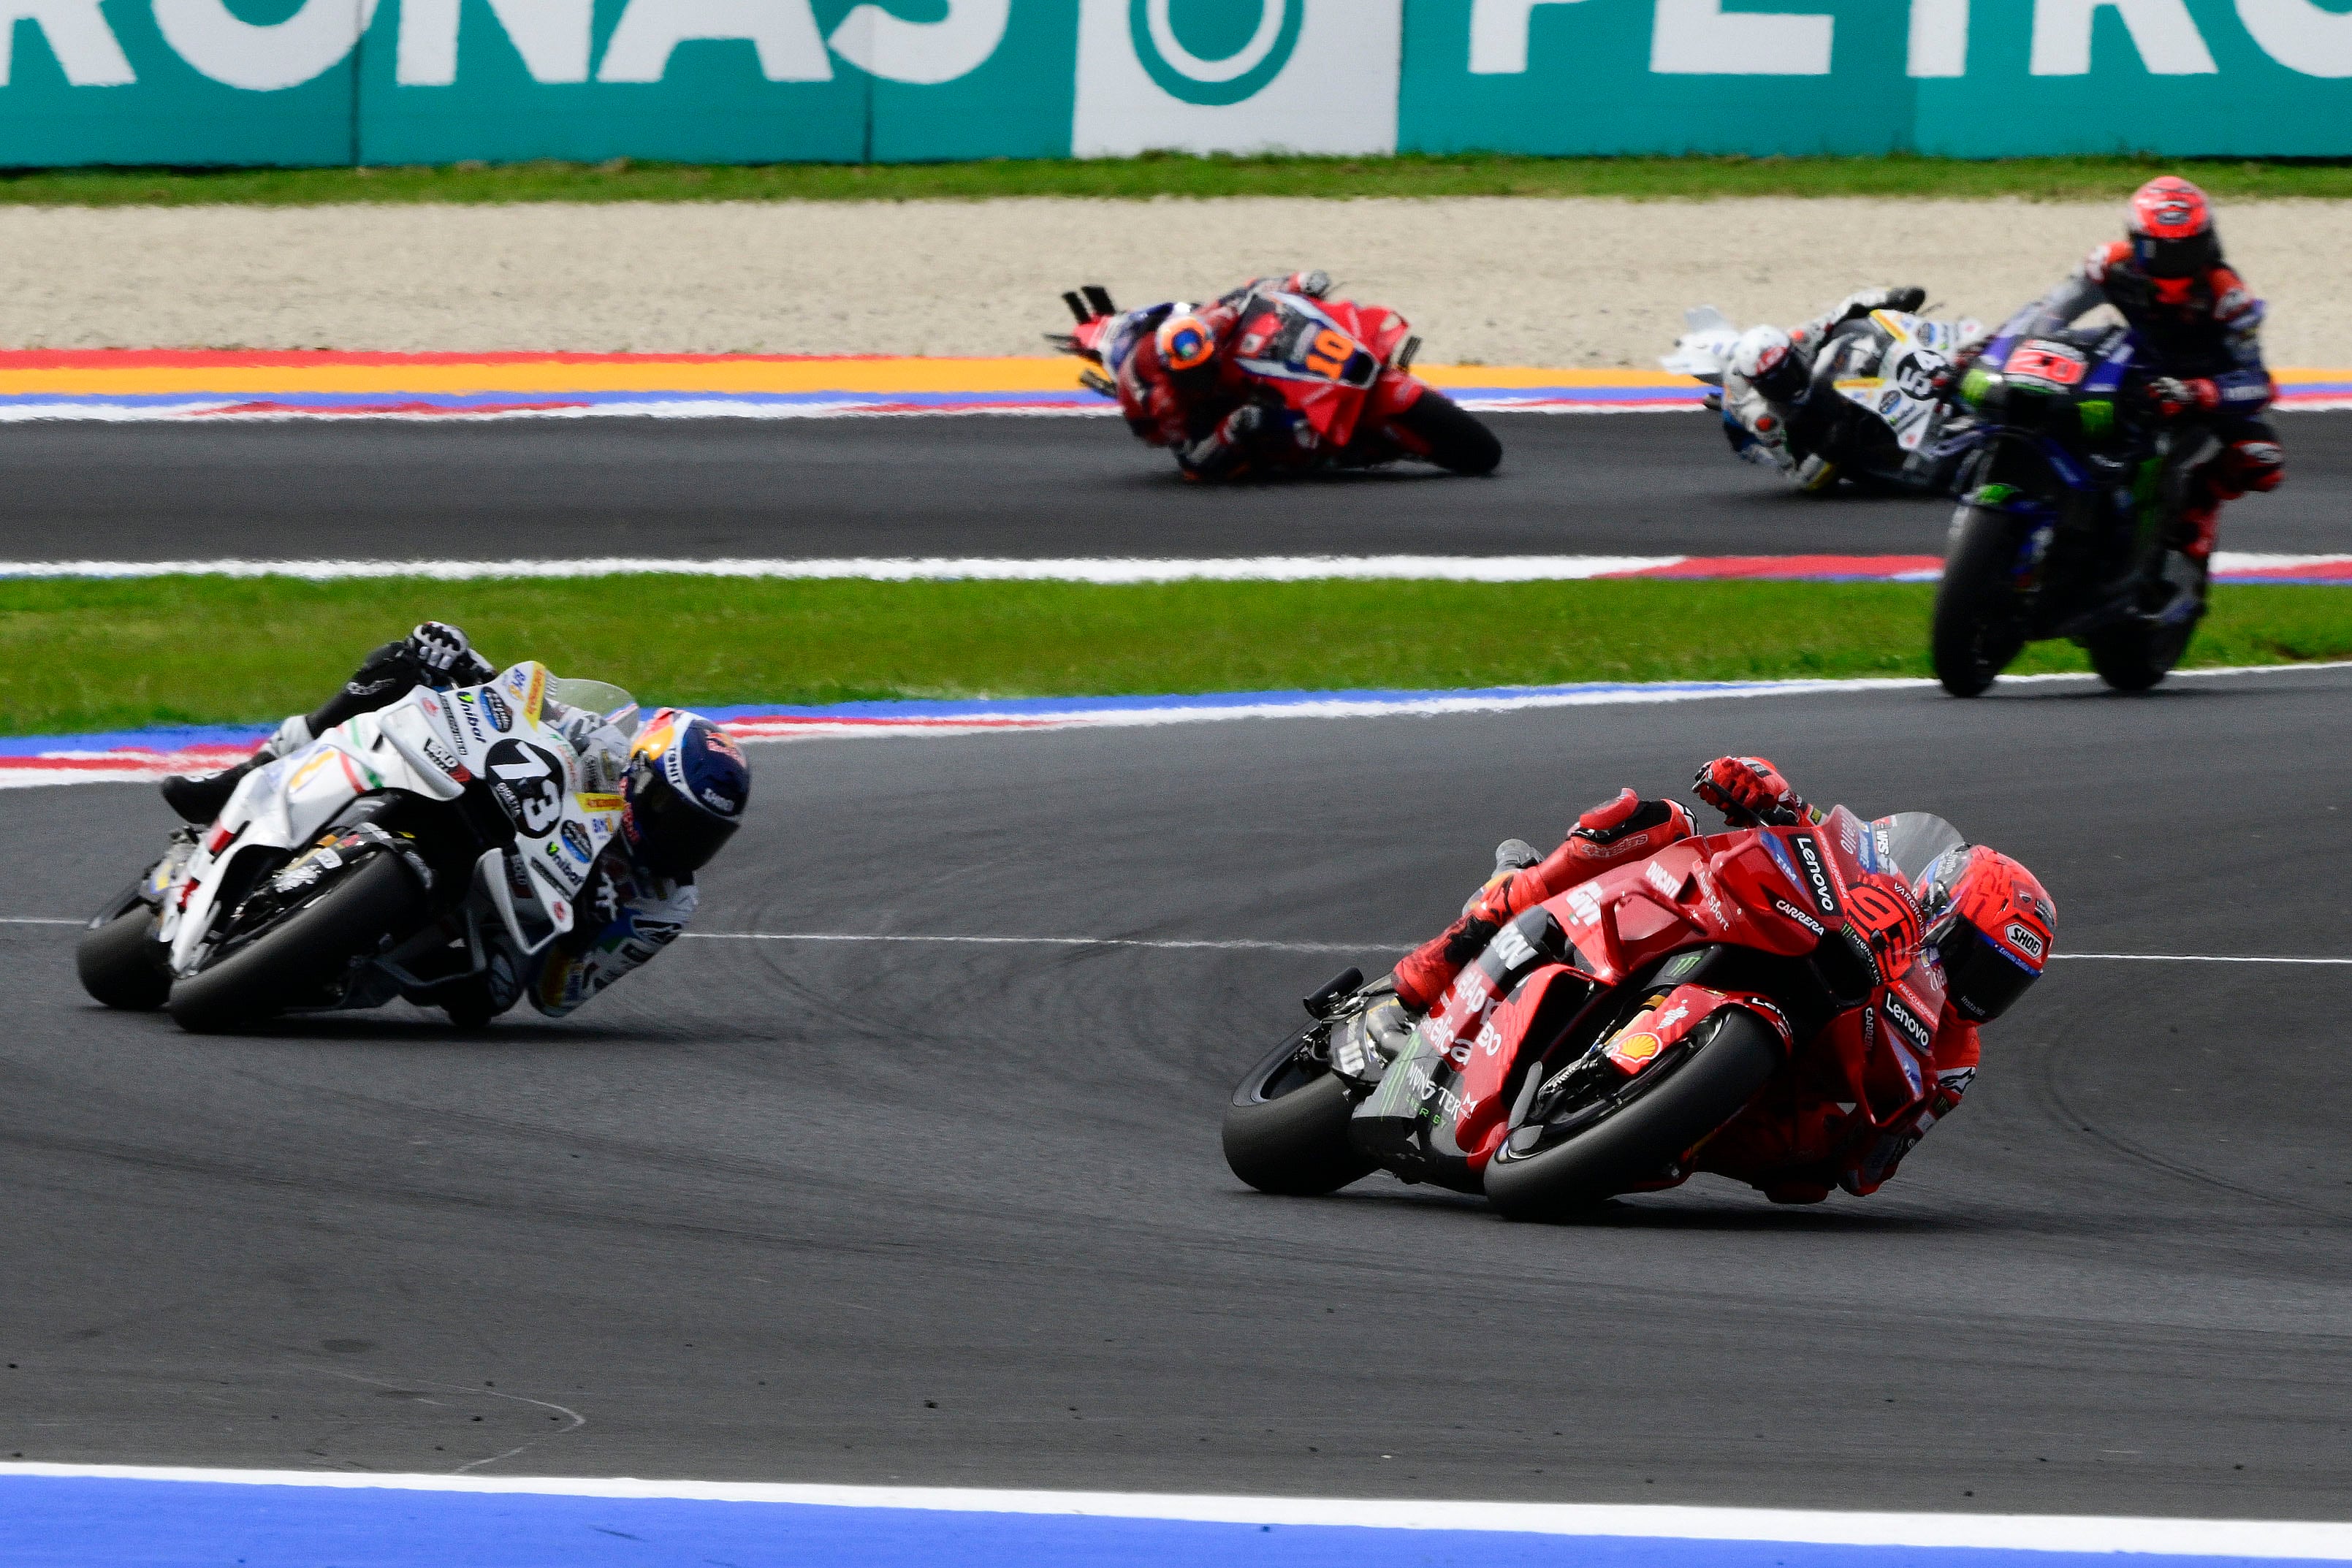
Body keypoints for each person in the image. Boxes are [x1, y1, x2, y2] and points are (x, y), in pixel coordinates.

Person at [1336, 756, 2054, 1204]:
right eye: (1974, 957)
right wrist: (1770, 796)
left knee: (1805, 1168)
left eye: (2001, 984)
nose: (1975, 989)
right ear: (1941, 902)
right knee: (1656, 823)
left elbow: (1871, 1169)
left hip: (1770, 1085)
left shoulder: (1955, 1056)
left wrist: (1870, 1126)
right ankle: (1429, 972)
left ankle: (1632, 1119)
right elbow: (1823, 848)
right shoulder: (1884, 885)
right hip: (1740, 935)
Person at [158, 621, 751, 1023]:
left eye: (704, 836)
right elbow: (519, 702)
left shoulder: (663, 904)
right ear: (638, 778)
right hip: (477, 806)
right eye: (676, 818)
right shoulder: (600, 749)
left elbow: (556, 995)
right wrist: (461, 660)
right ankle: (238, 782)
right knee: (399, 663)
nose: (685, 844)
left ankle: (326, 958)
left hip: (500, 928)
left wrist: (588, 925)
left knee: (482, 995)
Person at [2014, 175, 2280, 560]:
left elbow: (2259, 385)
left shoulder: (2229, 296)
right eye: (2157, 251)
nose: (2171, 265)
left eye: (2185, 252)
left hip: (2203, 389)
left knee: (2263, 457)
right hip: (2135, 371)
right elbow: (2050, 313)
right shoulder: (2108, 265)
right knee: (2048, 397)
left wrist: (2199, 392)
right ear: (2136, 241)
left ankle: (2201, 503)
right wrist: (2016, 346)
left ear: (2206, 245)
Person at [1720, 285, 1983, 488]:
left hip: (1813, 378)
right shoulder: (1762, 419)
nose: (1786, 382)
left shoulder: (1799, 339)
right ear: (1759, 386)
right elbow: (1800, 477)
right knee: (1823, 441)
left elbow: (1844, 310)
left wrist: (1891, 297)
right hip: (1753, 432)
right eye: (1774, 383)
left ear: (1792, 353)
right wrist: (1830, 447)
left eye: (1788, 372)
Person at [1104, 268, 1335, 481]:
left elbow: (1247, 292)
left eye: (1206, 364)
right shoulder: (1166, 404)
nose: (1203, 374)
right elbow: (1193, 462)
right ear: (1174, 373)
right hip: (1159, 419)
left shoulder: (1211, 324)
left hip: (1163, 342)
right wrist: (1232, 425)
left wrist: (1298, 282)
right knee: (1235, 452)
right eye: (1194, 373)